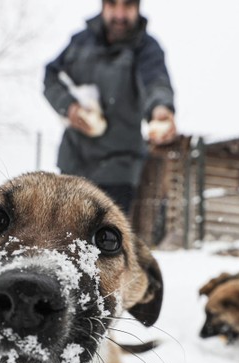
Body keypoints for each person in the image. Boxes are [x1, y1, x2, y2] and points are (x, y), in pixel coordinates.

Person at [44, 0, 176, 215]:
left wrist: (160, 109)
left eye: (128, 6)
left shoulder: (146, 48)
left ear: (138, 7)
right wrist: (69, 107)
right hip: (72, 165)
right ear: (103, 6)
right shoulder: (80, 42)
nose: (120, 14)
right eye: (113, 5)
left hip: (118, 171)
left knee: (105, 243)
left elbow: (156, 82)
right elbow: (50, 76)